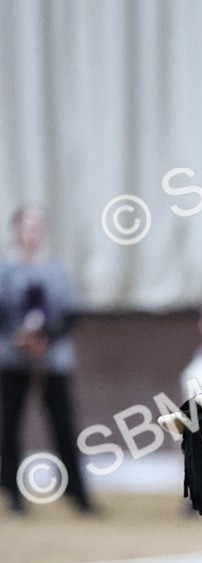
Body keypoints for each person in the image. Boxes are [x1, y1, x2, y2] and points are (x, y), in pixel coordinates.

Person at [0, 203, 94, 513]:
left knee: (63, 425)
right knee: (9, 426)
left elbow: (69, 314)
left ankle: (77, 493)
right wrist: (19, 338)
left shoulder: (55, 271)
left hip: (52, 359)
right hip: (12, 359)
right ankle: (13, 492)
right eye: (27, 228)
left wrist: (46, 339)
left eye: (37, 228)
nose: (32, 234)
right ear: (16, 231)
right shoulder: (6, 271)